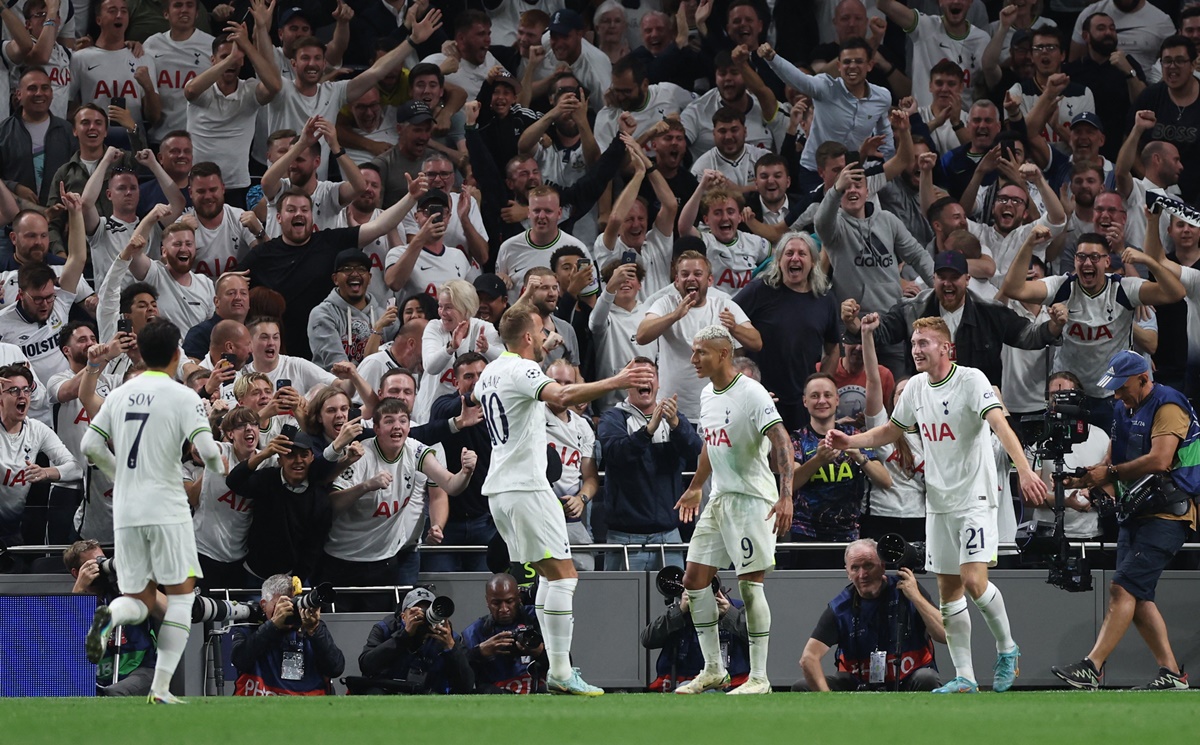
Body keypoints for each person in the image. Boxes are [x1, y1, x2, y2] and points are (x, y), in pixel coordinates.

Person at [828, 316, 1048, 694]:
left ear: (947, 349)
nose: (916, 349)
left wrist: (1024, 470)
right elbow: (890, 431)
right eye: (914, 343)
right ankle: (964, 677)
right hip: (939, 502)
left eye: (925, 343)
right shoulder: (914, 388)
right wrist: (851, 442)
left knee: (974, 582)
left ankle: (1007, 648)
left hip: (975, 498)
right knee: (949, 592)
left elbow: (1000, 425)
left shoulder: (971, 380)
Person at [474, 302, 655, 695]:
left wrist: (541, 338)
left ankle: (555, 669)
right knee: (565, 577)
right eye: (540, 333)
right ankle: (559, 671)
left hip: (500, 490)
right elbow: (565, 393)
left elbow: (492, 389)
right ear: (527, 337)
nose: (545, 339)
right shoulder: (524, 369)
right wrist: (616, 380)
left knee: (547, 576)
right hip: (527, 487)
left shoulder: (488, 372)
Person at [81, 319, 226, 705]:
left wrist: (124, 477)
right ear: (178, 354)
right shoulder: (183, 396)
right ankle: (161, 688)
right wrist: (217, 467)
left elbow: (89, 447)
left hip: (126, 512)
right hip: (166, 507)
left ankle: (109, 617)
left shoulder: (120, 394)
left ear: (141, 352)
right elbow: (208, 452)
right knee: (178, 600)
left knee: (139, 596)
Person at [1052, 351, 1198, 691]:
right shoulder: (1122, 407)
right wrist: (1087, 479)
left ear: (1144, 379)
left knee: (1123, 588)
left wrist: (1111, 472)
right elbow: (1111, 459)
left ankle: (1092, 666)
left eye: (1122, 387)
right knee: (1139, 595)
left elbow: (1161, 460)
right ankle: (1172, 674)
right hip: (1136, 509)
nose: (1117, 395)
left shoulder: (1169, 405)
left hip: (1169, 510)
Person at [672, 324, 793, 695]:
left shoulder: (752, 393)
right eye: (693, 352)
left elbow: (781, 441)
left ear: (723, 354)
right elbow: (711, 443)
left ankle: (759, 677)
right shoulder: (708, 393)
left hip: (752, 500)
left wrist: (786, 495)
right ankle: (713, 669)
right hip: (719, 498)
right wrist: (695, 486)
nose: (693, 359)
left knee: (750, 586)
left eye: (701, 353)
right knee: (694, 582)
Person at [793, 539, 944, 692]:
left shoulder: (907, 589)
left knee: (926, 678)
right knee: (802, 686)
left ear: (882, 566)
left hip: (909, 678)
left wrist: (916, 597)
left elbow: (944, 635)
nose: (862, 574)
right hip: (858, 685)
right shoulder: (840, 607)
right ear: (848, 573)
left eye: (868, 566)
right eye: (855, 568)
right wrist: (827, 698)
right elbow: (808, 658)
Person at [598, 356, 703, 571]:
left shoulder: (673, 417)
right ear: (626, 382)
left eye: (650, 375)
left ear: (658, 382)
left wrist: (676, 425)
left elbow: (695, 451)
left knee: (675, 604)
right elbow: (616, 454)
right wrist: (647, 431)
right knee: (623, 603)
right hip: (625, 539)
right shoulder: (613, 418)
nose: (645, 380)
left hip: (669, 536)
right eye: (638, 375)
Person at [734, 232, 840, 431]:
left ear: (813, 262)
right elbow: (728, 323)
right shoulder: (759, 289)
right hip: (761, 395)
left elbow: (833, 347)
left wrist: (820, 384)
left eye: (802, 253)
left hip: (801, 400)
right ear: (779, 260)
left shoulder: (825, 298)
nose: (795, 258)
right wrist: (738, 374)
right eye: (789, 253)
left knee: (795, 459)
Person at [789, 372, 891, 568]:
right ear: (804, 401)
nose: (821, 401)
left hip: (848, 536)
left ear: (837, 400)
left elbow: (885, 481)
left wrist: (860, 457)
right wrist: (818, 460)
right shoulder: (796, 439)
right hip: (806, 534)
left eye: (827, 395)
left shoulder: (853, 435)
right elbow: (789, 483)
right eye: (814, 396)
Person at [65, 539, 159, 696]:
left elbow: (165, 609)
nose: (101, 567)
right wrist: (79, 589)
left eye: (102, 560)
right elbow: (62, 640)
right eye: (93, 565)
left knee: (113, 693)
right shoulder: (74, 601)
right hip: (95, 676)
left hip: (140, 668)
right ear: (77, 573)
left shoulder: (122, 590)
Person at [231, 573, 345, 696]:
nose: (290, 610)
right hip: (260, 704)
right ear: (264, 605)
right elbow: (240, 660)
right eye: (282, 603)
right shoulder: (250, 625)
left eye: (294, 603)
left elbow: (335, 668)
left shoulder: (311, 626)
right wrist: (273, 626)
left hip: (306, 709)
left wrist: (314, 629)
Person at [640, 575, 749, 693]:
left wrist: (729, 614)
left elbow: (756, 639)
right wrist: (678, 612)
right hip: (684, 681)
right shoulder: (680, 610)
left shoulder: (736, 608)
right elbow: (647, 639)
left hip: (730, 684)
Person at [357, 586, 475, 695]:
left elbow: (466, 686)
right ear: (403, 616)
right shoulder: (386, 629)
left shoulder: (447, 637)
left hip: (429, 695)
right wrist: (404, 636)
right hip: (389, 690)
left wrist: (450, 647)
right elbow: (367, 666)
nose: (423, 617)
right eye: (416, 612)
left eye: (428, 611)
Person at [461, 573, 548, 694]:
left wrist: (539, 652)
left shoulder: (538, 619)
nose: (504, 609)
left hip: (536, 689)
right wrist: (479, 653)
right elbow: (459, 680)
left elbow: (566, 663)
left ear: (518, 597)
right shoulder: (474, 633)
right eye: (496, 603)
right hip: (498, 694)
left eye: (509, 601)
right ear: (487, 601)